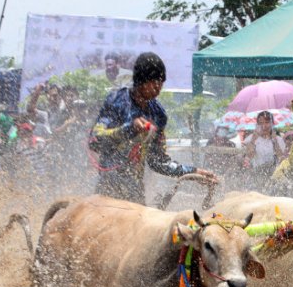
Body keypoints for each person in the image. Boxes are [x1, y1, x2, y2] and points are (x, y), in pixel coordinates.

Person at [89, 51, 217, 204]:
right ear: (141, 81)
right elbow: (95, 140)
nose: (159, 87)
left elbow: (158, 161)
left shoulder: (158, 114)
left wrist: (193, 172)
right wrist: (130, 128)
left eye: (161, 82)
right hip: (108, 190)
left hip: (134, 192)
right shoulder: (117, 101)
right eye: (154, 82)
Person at [243, 111, 287, 178]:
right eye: (261, 123)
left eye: (267, 122)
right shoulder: (251, 139)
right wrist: (253, 139)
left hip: (274, 175)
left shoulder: (278, 140)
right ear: (257, 125)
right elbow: (249, 156)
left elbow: (281, 159)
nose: (264, 126)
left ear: (272, 124)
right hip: (257, 175)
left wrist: (275, 141)